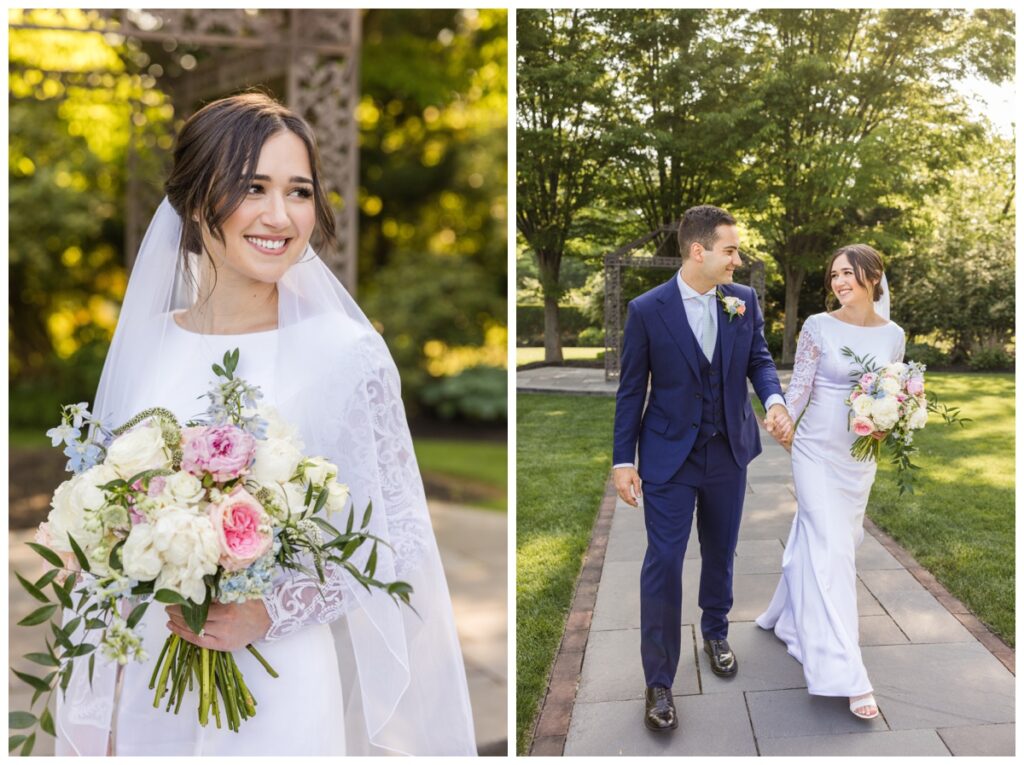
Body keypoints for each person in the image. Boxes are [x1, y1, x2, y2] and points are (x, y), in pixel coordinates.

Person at [55, 93, 476, 755]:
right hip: (148, 672)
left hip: (279, 681)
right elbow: (103, 519)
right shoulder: (148, 343)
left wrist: (270, 608)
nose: (280, 216)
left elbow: (397, 537)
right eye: (253, 187)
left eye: (299, 191)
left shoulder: (345, 352)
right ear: (198, 200)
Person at [612, 205, 793, 732]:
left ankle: (715, 631)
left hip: (728, 451)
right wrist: (624, 459)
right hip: (669, 455)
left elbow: (758, 358)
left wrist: (774, 401)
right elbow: (630, 390)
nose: (737, 260)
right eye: (730, 250)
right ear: (699, 251)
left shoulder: (744, 301)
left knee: (721, 549)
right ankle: (659, 681)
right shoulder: (648, 309)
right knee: (663, 561)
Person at [756, 244, 904, 720]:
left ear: (873, 277)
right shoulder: (818, 326)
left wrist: (890, 420)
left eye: (849, 273)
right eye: (835, 274)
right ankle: (845, 671)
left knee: (839, 540)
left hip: (860, 457)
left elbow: (892, 392)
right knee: (833, 550)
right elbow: (800, 385)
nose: (839, 282)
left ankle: (786, 618)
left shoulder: (894, 336)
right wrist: (781, 414)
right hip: (816, 451)